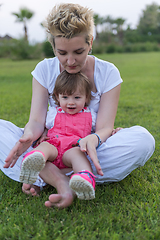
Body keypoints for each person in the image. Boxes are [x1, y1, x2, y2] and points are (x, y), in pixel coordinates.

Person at [0, 3, 155, 208]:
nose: (70, 61)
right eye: (62, 53)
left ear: (90, 42)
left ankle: (45, 175)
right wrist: (28, 136)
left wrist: (95, 138)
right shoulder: (44, 69)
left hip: (87, 148)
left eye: (79, 51)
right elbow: (36, 121)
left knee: (144, 139)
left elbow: (105, 127)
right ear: (53, 47)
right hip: (51, 144)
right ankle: (66, 178)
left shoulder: (108, 72)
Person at [19, 70, 102, 200]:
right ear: (57, 97)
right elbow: (43, 126)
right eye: (65, 97)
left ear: (86, 97)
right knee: (44, 146)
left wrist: (114, 130)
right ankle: (35, 159)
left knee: (78, 156)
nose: (71, 102)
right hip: (54, 145)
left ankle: (84, 177)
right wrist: (44, 134)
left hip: (73, 147)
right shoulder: (53, 113)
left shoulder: (91, 115)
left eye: (77, 97)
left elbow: (101, 130)